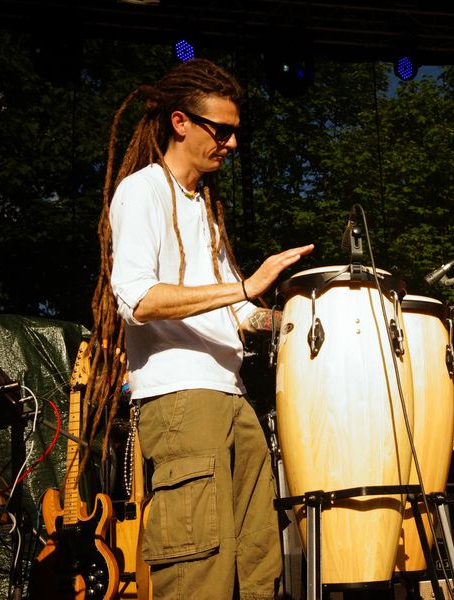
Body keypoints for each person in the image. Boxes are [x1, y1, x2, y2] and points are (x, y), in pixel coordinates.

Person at [90, 58, 314, 600]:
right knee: (198, 572)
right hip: (181, 399)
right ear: (180, 122)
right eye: (222, 130)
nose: (232, 143)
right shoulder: (142, 191)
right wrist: (246, 286)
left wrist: (296, 320)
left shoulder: (204, 211)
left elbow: (236, 313)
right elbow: (138, 299)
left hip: (231, 396)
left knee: (258, 563)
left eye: (235, 131)